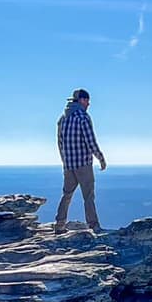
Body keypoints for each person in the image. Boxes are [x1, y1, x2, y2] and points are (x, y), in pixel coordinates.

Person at [54, 88, 107, 232]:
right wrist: (101, 158)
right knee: (88, 196)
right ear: (82, 100)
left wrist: (65, 161)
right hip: (83, 163)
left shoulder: (63, 119)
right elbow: (91, 141)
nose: (88, 104)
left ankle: (59, 224)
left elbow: (60, 142)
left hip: (69, 164)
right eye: (87, 101)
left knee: (67, 194)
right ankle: (93, 225)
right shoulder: (82, 117)